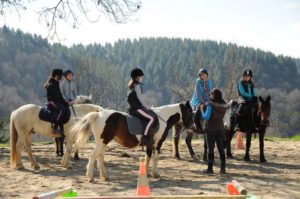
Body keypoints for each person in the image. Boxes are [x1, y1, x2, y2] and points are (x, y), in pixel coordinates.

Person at [201, 88, 231, 174]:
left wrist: (202, 109)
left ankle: (210, 169)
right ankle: (223, 168)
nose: (210, 95)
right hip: (220, 129)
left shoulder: (210, 105)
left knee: (210, 149)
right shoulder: (224, 105)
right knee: (221, 149)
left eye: (211, 94)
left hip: (210, 129)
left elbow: (206, 117)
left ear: (214, 95)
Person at [127, 68, 156, 147]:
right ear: (137, 78)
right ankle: (145, 137)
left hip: (132, 108)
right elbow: (140, 98)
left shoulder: (132, 86)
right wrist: (147, 107)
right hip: (137, 109)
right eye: (141, 77)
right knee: (152, 118)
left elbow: (139, 98)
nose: (142, 79)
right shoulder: (137, 87)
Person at [44, 69, 71, 136]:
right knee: (61, 110)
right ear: (56, 76)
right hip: (52, 102)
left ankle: (61, 129)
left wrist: (65, 102)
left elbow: (60, 95)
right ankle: (55, 127)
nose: (62, 77)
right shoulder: (51, 84)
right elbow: (56, 97)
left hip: (56, 101)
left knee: (65, 108)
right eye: (60, 76)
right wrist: (65, 103)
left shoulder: (56, 83)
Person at [190, 68, 213, 133]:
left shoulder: (209, 82)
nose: (202, 76)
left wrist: (208, 101)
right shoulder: (198, 82)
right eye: (201, 75)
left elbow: (209, 92)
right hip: (199, 100)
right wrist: (203, 102)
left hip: (208, 100)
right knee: (196, 116)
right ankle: (199, 128)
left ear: (206, 75)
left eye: (204, 75)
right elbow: (198, 94)